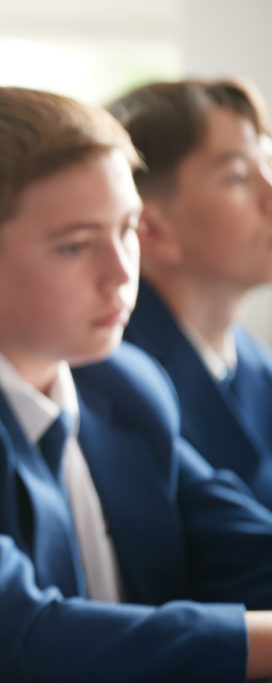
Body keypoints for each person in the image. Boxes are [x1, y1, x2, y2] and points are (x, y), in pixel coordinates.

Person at [0, 86, 272, 682]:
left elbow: (245, 550)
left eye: (128, 229)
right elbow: (14, 638)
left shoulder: (125, 382)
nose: (121, 273)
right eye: (75, 245)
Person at [108, 79, 272, 509]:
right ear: (149, 228)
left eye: (270, 165)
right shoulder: (112, 383)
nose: (271, 194)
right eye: (237, 176)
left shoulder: (255, 363)